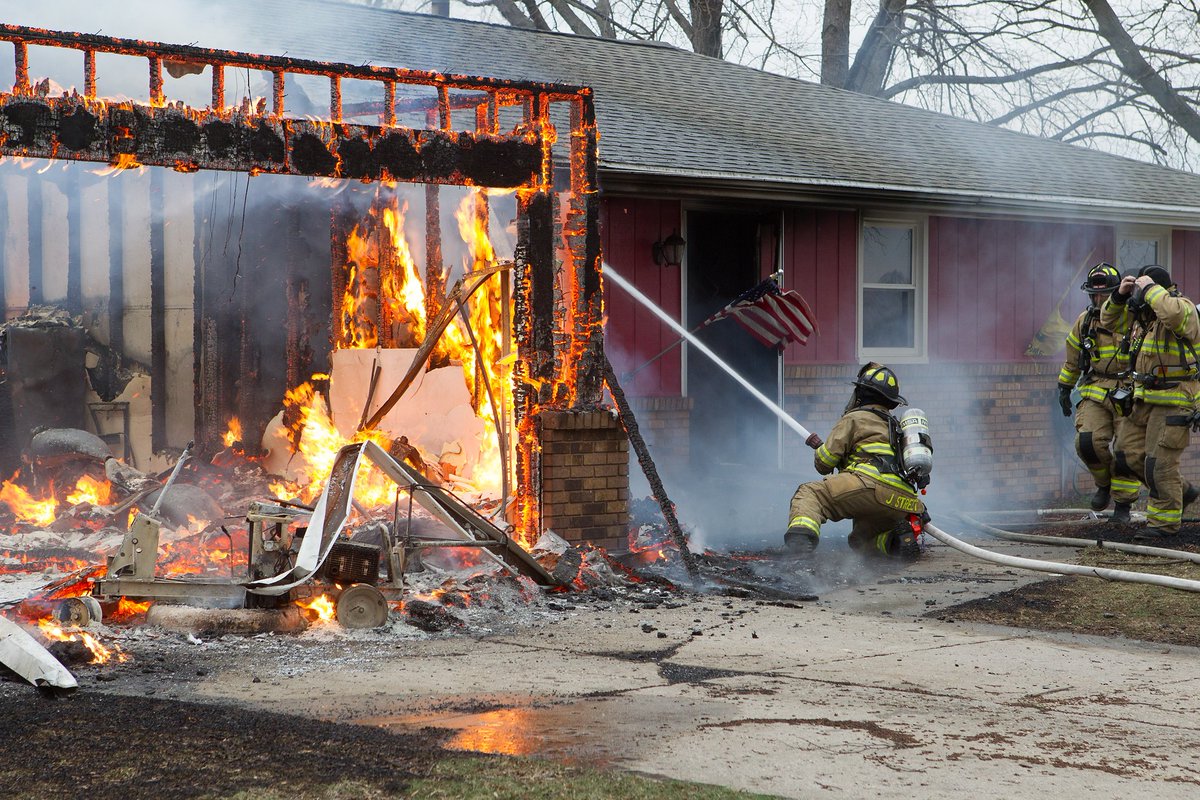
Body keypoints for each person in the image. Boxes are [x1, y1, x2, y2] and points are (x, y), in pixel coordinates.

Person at [785, 363, 927, 557]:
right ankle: (895, 542)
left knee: (810, 493)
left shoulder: (855, 417)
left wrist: (820, 450)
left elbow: (824, 463)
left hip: (870, 486)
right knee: (860, 542)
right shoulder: (896, 426)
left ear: (861, 393)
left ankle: (801, 541)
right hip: (904, 501)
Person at [1102, 265, 1200, 531]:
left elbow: (1174, 316)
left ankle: (1163, 525)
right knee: (1125, 454)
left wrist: (1149, 289)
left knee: (1159, 464)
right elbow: (1108, 322)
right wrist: (1119, 296)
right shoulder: (1142, 318)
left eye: (1140, 290)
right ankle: (1183, 491)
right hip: (1143, 398)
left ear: (1156, 289)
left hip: (1174, 399)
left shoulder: (1183, 307)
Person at [1057, 263, 1132, 512]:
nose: (1099, 300)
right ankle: (1104, 484)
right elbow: (1072, 359)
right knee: (1087, 443)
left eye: (1104, 295)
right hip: (1096, 387)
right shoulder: (1085, 321)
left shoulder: (1134, 317)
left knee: (1125, 451)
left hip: (1131, 390)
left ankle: (1123, 505)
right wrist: (1064, 387)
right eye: (1094, 295)